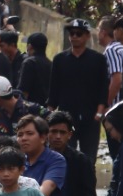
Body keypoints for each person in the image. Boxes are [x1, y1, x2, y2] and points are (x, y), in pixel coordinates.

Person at [47, 18, 110, 158]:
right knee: (64, 156)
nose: (74, 37)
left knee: (89, 157)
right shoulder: (59, 59)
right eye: (72, 33)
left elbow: (103, 88)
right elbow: (54, 89)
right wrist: (50, 113)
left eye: (79, 33)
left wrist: (99, 113)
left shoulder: (98, 59)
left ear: (87, 36)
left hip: (90, 116)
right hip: (66, 117)